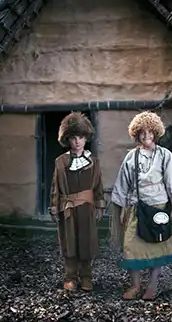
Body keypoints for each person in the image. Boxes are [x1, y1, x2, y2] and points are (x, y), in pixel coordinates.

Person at [109, 111, 172, 301]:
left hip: (159, 207)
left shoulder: (165, 156)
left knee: (159, 246)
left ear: (156, 133)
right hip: (136, 207)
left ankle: (152, 285)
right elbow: (122, 185)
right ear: (136, 134)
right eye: (142, 132)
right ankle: (135, 286)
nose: (146, 136)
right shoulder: (131, 158)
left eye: (150, 132)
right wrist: (123, 210)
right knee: (130, 247)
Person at [49, 112, 105, 293]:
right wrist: (55, 208)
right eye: (73, 138)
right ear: (67, 139)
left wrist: (99, 205)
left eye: (80, 137)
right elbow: (55, 187)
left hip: (87, 208)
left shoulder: (93, 162)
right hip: (68, 209)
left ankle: (87, 277)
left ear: (86, 138)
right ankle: (70, 277)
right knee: (69, 242)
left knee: (86, 241)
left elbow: (98, 186)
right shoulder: (61, 162)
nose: (77, 142)